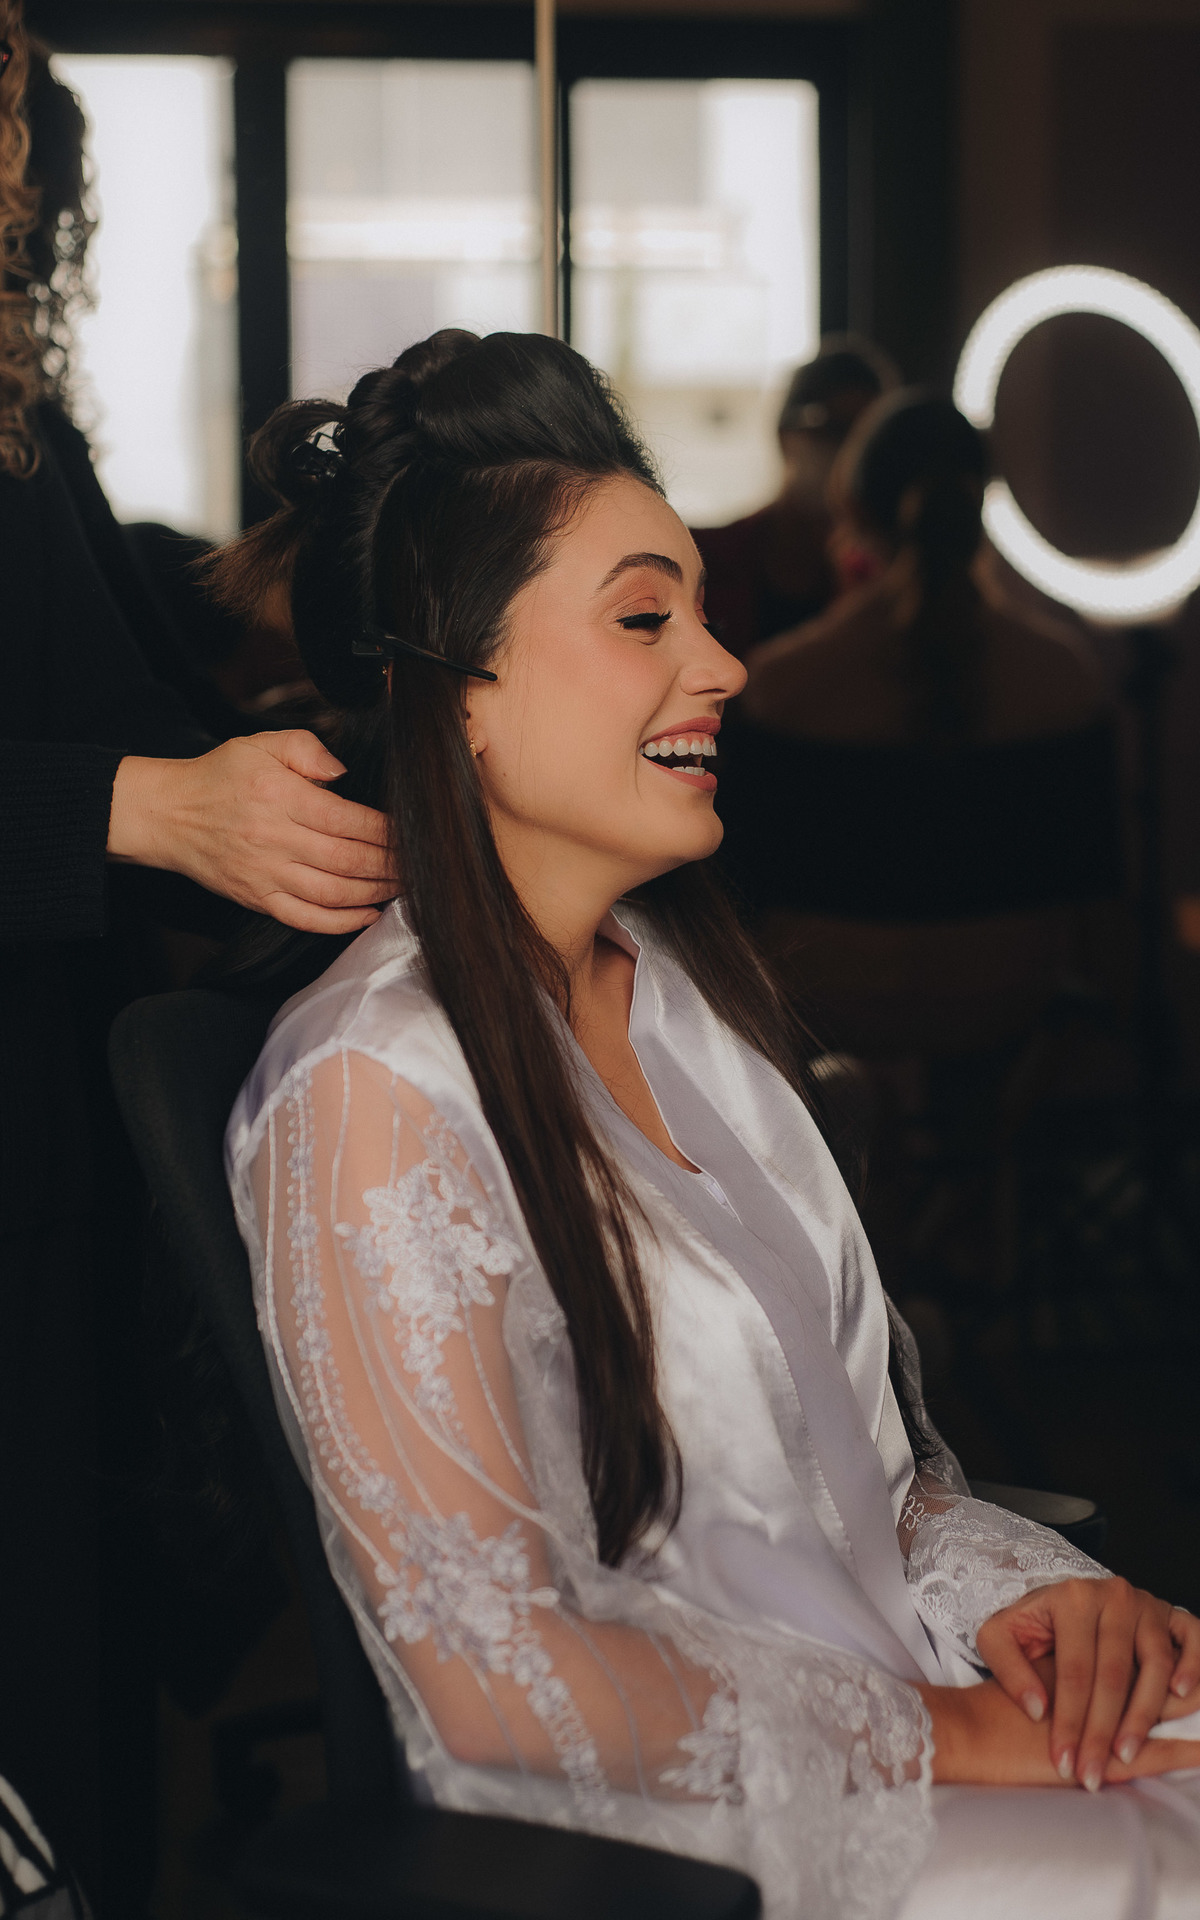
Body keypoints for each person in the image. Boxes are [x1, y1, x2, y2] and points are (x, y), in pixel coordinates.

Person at [221, 329, 1200, 1920]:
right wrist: (952, 1733)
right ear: (459, 691)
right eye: (643, 618)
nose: (725, 664)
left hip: (903, 1708)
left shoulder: (690, 1009)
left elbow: (866, 1492)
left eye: (698, 610)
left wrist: (1042, 1606)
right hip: (668, 1834)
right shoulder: (372, 1090)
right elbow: (491, 1670)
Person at [0, 16, 393, 1909]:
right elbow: (128, 777)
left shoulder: (22, 426)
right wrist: (140, 812)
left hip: (49, 1142)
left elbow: (133, 704)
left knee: (66, 1714)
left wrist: (346, 749)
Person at [720, 391, 1120, 1054]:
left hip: (828, 998)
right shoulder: (1064, 677)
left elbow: (743, 894)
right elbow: (1096, 898)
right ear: (977, 506)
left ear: (854, 509)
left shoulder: (777, 685)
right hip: (1006, 992)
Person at [692, 335, 898, 661]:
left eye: (868, 440)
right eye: (835, 429)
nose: (849, 453)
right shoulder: (702, 563)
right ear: (785, 434)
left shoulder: (885, 583)